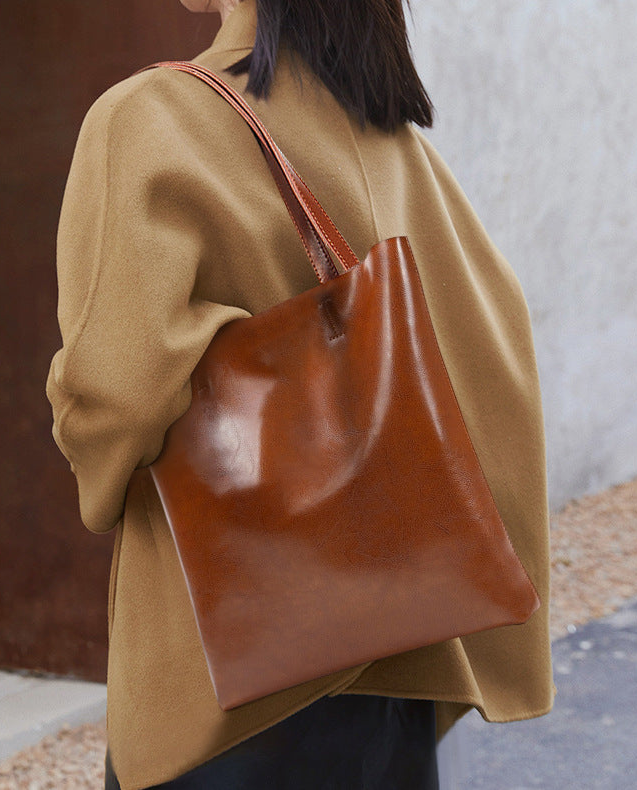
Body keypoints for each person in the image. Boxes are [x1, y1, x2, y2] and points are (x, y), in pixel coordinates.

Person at [46, 0, 556, 787]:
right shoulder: (394, 134)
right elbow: (491, 335)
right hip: (408, 656)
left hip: (235, 678)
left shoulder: (152, 117)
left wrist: (94, 468)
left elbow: (118, 392)